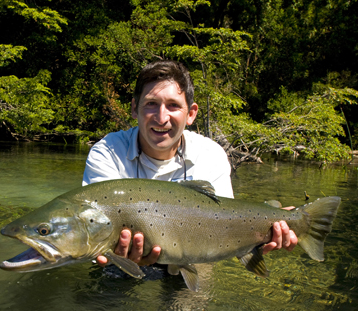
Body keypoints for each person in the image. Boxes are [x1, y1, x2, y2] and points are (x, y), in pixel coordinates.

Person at [83, 60, 297, 267]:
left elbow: (227, 223)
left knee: (191, 301)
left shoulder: (210, 154)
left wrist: (274, 224)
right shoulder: (107, 152)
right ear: (134, 108)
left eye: (173, 105)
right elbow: (94, 229)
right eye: (151, 104)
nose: (161, 117)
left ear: (191, 114)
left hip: (194, 260)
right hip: (119, 259)